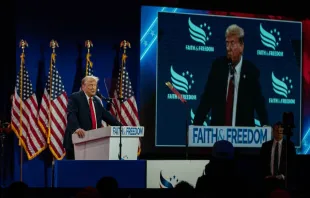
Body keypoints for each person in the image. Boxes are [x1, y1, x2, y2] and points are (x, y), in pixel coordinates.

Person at [193, 24, 268, 127]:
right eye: (227, 43)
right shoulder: (218, 67)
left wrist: (265, 124)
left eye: (232, 44)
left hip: (242, 135)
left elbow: (259, 102)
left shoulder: (251, 71)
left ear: (242, 46)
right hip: (218, 134)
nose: (228, 48)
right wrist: (196, 125)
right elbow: (207, 98)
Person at [63, 76, 122, 159]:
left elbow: (107, 116)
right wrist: (77, 128)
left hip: (93, 143)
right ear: (83, 86)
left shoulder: (97, 101)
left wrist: (122, 128)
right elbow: (71, 114)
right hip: (77, 141)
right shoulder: (75, 97)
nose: (93, 88)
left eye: (95, 85)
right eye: (90, 85)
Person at [260, 122, 296, 192]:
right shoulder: (265, 146)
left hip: (284, 182)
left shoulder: (289, 146)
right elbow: (261, 163)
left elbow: (293, 164)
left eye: (281, 131)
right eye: (277, 131)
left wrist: (284, 176)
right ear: (273, 132)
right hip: (268, 182)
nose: (279, 133)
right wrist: (265, 175)